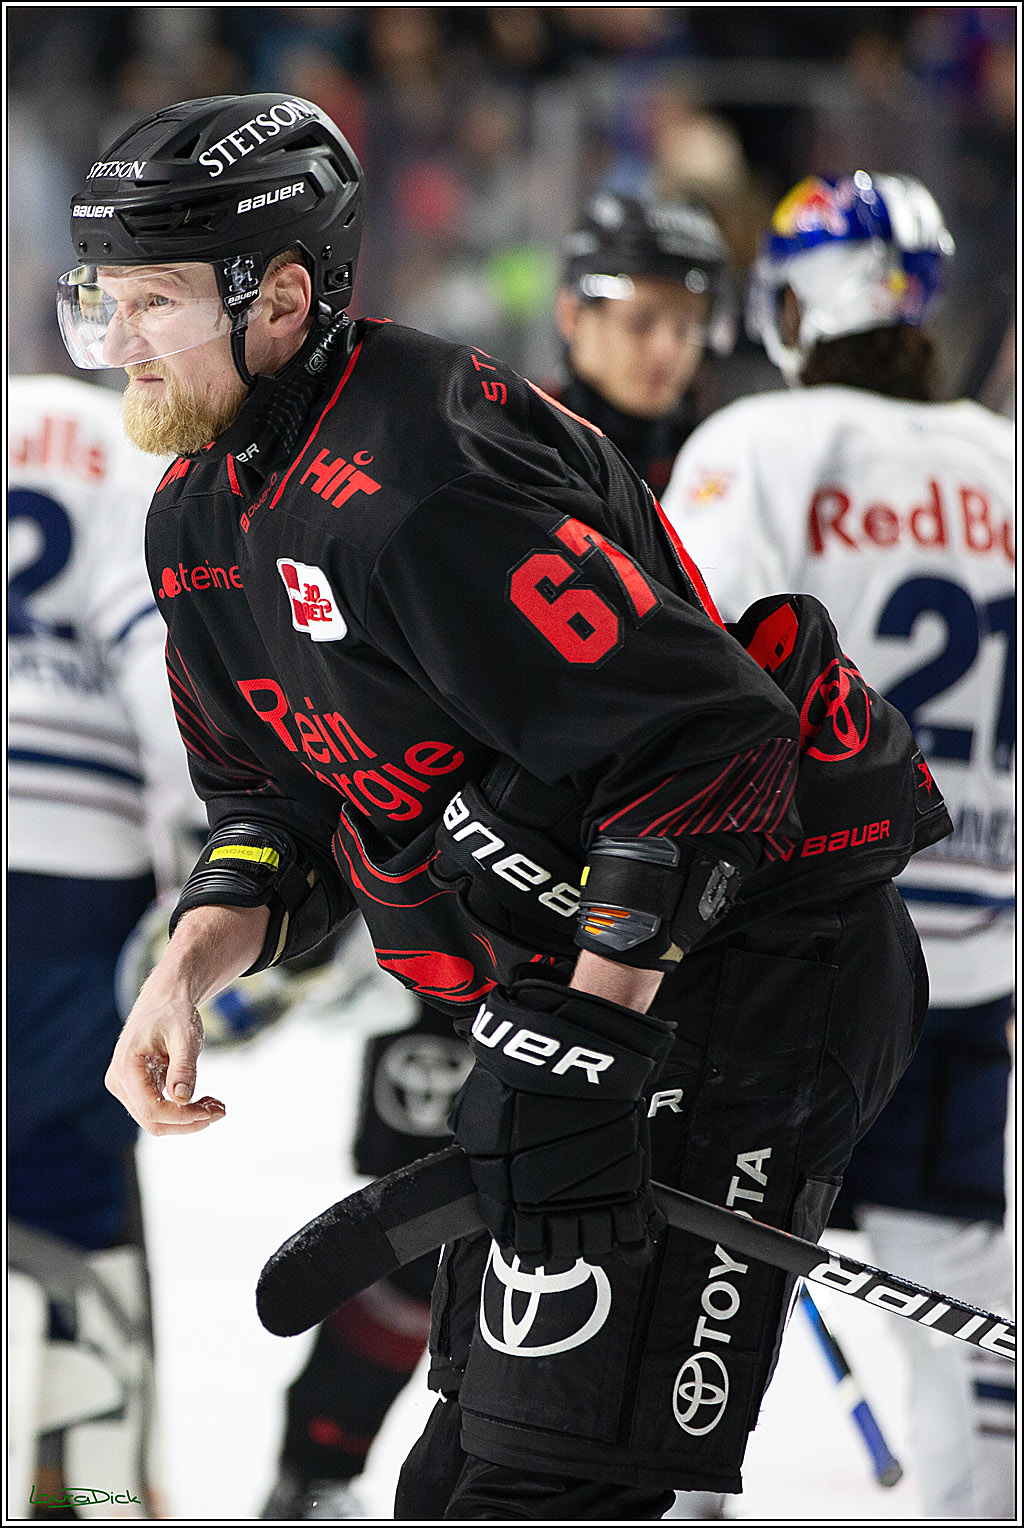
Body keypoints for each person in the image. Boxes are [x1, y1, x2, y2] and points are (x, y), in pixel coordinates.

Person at [69, 95, 949, 1519]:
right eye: (102, 302)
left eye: (153, 303)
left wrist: (595, 1036)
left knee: (548, 1483)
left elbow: (715, 741)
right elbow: (268, 794)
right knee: (467, 1475)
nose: (116, 342)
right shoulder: (198, 521)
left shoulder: (417, 484)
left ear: (282, 296)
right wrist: (190, 962)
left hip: (756, 983)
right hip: (572, 1000)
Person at [261, 186, 736, 1522]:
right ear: (576, 313)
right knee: (431, 1225)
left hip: (625, 929)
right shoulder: (487, 443)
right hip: (465, 916)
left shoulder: (719, 452)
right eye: (635, 318)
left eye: (684, 323)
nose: (661, 348)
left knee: (590, 1238)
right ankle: (311, 1475)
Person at [661, 171, 1015, 1519]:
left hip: (792, 952)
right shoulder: (1002, 458)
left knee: (698, 1279)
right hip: (973, 955)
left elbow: (688, 677)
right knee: (964, 1301)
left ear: (802, 298)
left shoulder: (767, 443)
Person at [7, 373, 203, 1518]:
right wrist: (209, 861)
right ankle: (92, 1482)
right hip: (77, 886)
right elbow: (158, 657)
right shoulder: (120, 448)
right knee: (78, 1200)